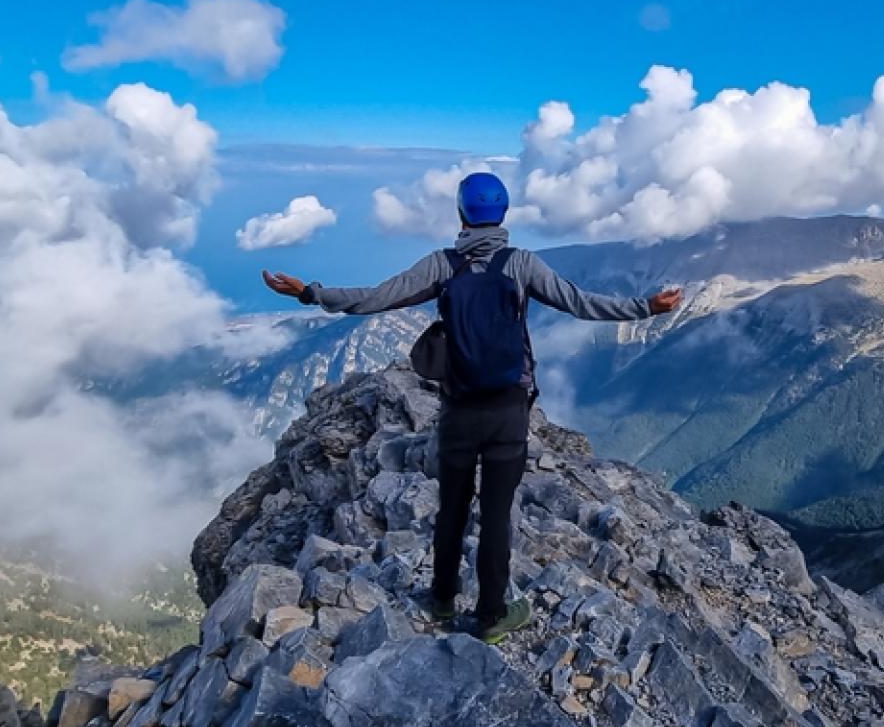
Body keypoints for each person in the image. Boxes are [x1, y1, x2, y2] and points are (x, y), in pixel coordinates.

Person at [261, 172, 680, 644]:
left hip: (459, 409)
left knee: (453, 507)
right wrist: (645, 307)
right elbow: (580, 304)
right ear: (502, 215)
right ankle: (492, 616)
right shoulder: (522, 265)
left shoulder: (442, 265)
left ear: (461, 213)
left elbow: (376, 297)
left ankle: (441, 598)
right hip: (509, 411)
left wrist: (310, 293)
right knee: (499, 515)